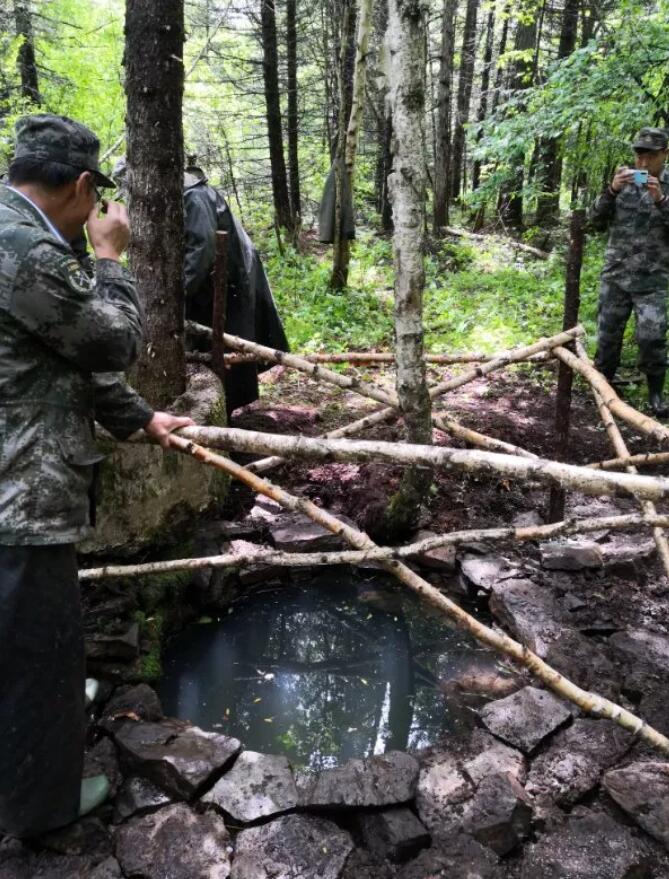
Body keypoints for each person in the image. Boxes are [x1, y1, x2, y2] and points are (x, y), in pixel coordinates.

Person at [0, 113, 192, 839]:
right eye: (94, 200)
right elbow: (110, 340)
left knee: (29, 640)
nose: (96, 213)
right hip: (20, 496)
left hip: (16, 482)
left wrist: (141, 419)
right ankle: (40, 809)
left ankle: (42, 717)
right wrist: (112, 259)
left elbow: (59, 356)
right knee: (34, 656)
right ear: (82, 186)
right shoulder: (27, 249)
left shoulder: (18, 234)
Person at [183, 166, 289, 414]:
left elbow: (201, 249)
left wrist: (179, 291)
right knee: (215, 340)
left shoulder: (194, 197)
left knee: (230, 340)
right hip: (218, 278)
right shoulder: (187, 194)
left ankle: (227, 407)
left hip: (229, 278)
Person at [591, 127, 669, 416]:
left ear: (665, 154)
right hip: (616, 276)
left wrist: (661, 200)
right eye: (639, 155)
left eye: (650, 156)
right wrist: (611, 191)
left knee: (652, 338)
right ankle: (604, 389)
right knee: (608, 337)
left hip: (652, 280)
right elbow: (593, 222)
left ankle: (656, 395)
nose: (644, 163)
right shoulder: (622, 182)